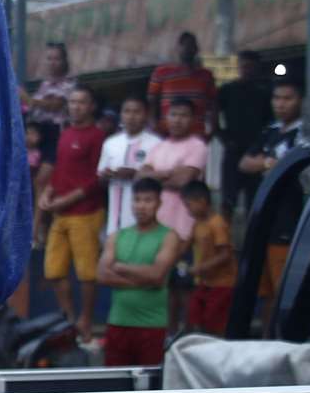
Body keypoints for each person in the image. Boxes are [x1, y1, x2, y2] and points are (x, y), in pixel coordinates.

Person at [38, 86, 107, 340]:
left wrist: (66, 200)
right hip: (60, 213)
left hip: (85, 211)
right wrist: (48, 193)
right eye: (72, 102)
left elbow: (96, 179)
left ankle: (86, 320)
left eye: (81, 102)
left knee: (87, 273)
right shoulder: (65, 133)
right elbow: (59, 171)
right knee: (53, 270)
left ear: (91, 107)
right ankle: (68, 317)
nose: (76, 107)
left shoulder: (97, 136)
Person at [240, 79, 307, 334]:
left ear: (300, 100)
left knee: (284, 290)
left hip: (289, 222)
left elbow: (295, 166)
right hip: (264, 222)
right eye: (277, 98)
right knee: (266, 293)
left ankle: (286, 338)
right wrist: (272, 163)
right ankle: (268, 340)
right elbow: (244, 163)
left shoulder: (306, 133)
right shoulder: (269, 131)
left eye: (287, 98)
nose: (280, 104)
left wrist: (267, 163)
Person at [139, 97, 209, 332]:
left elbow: (184, 180)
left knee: (184, 288)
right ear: (166, 118)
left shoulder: (197, 146)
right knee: (163, 287)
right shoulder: (158, 146)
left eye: (183, 115)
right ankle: (167, 335)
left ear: (192, 119)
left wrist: (157, 175)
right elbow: (141, 178)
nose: (177, 120)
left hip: (185, 229)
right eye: (173, 114)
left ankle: (186, 336)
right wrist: (169, 174)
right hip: (159, 229)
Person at [97, 177, 177, 365]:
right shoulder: (118, 236)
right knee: (115, 385)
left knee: (149, 386)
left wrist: (120, 267)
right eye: (137, 200)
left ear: (159, 203)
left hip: (152, 325)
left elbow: (157, 275)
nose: (141, 206)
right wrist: (143, 281)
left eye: (148, 200)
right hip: (118, 322)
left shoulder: (169, 236)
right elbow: (101, 275)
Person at [97, 96, 161, 239]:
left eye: (137, 112)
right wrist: (106, 176)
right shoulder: (111, 143)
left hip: (145, 219)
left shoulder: (156, 143)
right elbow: (100, 180)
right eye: (127, 111)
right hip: (115, 220)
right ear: (121, 115)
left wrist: (135, 174)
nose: (131, 116)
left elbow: (162, 180)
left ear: (145, 114)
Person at [216, 50, 270, 217]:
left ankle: (251, 240)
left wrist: (264, 146)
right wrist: (223, 137)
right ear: (239, 67)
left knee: (254, 201)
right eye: (244, 66)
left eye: (251, 66)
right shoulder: (227, 89)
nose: (247, 70)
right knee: (227, 201)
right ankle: (222, 239)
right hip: (233, 150)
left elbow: (270, 122)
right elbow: (213, 115)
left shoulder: (264, 92)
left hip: (255, 152)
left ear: (257, 68)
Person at [180, 180, 237, 336]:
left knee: (214, 323)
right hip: (205, 282)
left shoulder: (217, 223)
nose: (188, 210)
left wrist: (200, 268)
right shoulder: (198, 223)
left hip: (222, 284)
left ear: (202, 201)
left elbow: (225, 255)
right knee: (194, 314)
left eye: (189, 205)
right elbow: (186, 245)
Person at [147, 31, 217, 139]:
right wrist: (155, 128)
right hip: (167, 135)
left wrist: (211, 131)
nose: (188, 49)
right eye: (185, 45)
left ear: (197, 49)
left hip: (197, 135)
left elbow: (213, 105)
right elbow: (151, 103)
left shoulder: (206, 75)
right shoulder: (161, 72)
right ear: (178, 48)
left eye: (192, 45)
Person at [28, 42, 76, 164]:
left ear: (64, 61)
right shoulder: (45, 83)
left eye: (56, 59)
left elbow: (55, 105)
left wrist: (27, 99)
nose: (52, 62)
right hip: (38, 133)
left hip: (55, 133)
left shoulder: (69, 82)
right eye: (49, 59)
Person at [25, 120, 54, 249]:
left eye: (34, 134)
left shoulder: (37, 154)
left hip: (32, 188)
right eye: (27, 133)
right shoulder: (19, 151)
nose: (30, 137)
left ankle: (36, 232)